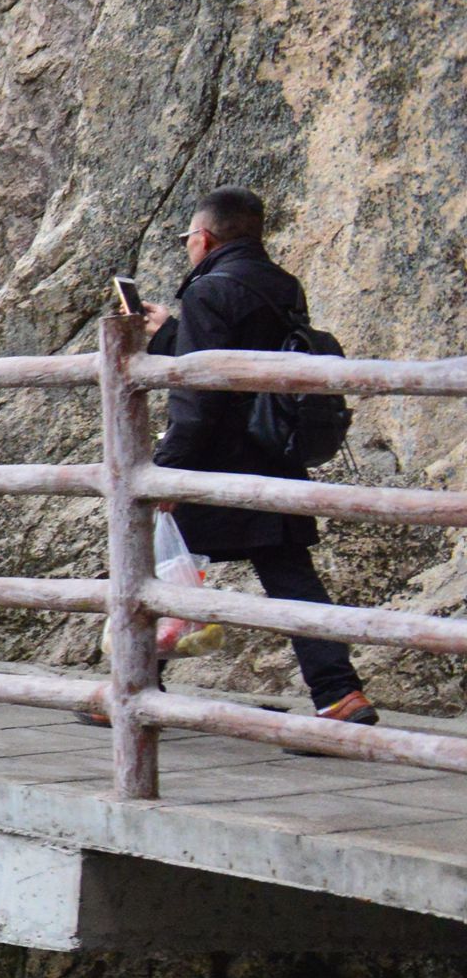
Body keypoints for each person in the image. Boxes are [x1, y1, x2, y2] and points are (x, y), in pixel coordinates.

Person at [147, 187, 374, 725]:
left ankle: (133, 690)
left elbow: (200, 394)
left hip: (216, 462)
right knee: (292, 580)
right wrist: (174, 337)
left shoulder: (207, 292)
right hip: (273, 454)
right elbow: (247, 357)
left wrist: (168, 469)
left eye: (187, 238)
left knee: (148, 565)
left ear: (203, 237)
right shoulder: (280, 283)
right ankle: (340, 694)